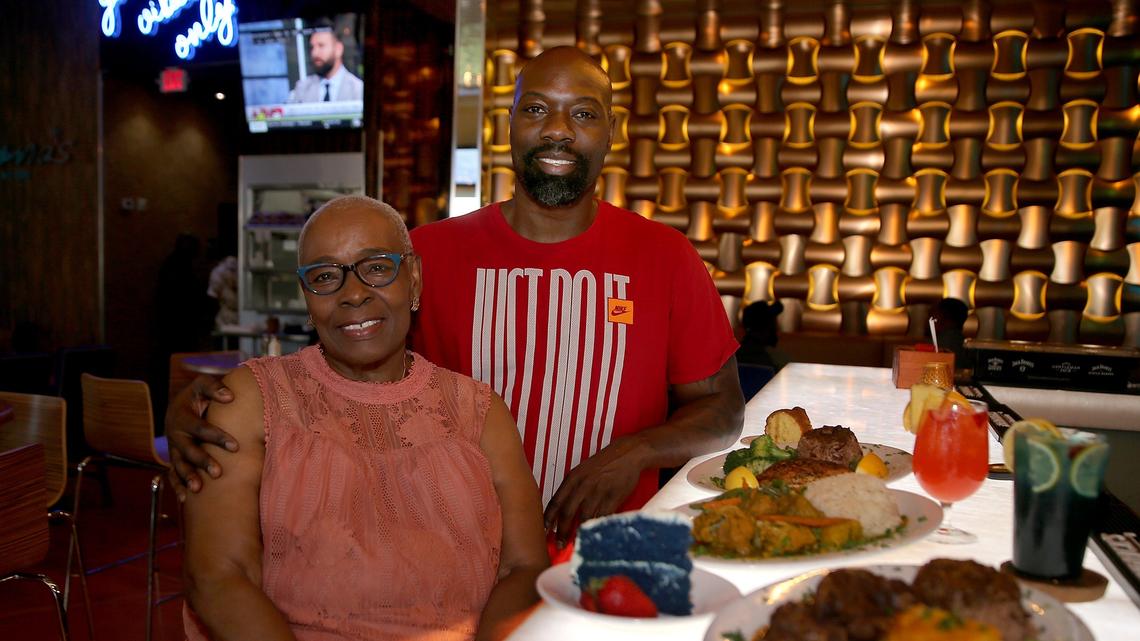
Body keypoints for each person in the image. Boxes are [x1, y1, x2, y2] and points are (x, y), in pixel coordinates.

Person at [168, 46, 744, 550]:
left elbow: (722, 411)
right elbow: (335, 371)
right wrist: (213, 410)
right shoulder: (427, 253)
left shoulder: (664, 256)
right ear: (511, 123)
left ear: (611, 131)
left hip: (609, 556)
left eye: (583, 113)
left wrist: (635, 452)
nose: (557, 130)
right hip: (445, 551)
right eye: (536, 108)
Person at [182, 196, 547, 641]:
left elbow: (525, 566)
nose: (353, 293)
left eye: (376, 268)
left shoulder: (480, 411)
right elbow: (218, 576)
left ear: (413, 280)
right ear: (306, 297)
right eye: (325, 277)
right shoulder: (251, 400)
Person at [287, 25, 363, 103]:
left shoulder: (358, 89)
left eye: (321, 46)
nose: (314, 53)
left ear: (338, 49)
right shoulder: (301, 89)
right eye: (312, 47)